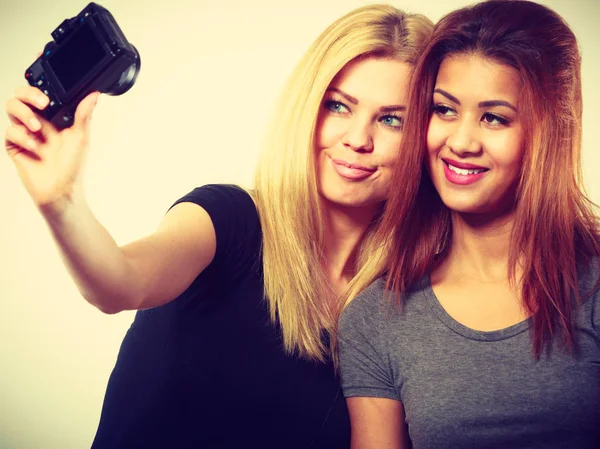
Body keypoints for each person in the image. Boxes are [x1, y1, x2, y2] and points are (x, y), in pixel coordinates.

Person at [4, 4, 433, 449]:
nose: (358, 139)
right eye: (338, 106)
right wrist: (61, 201)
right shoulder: (228, 219)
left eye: (391, 119)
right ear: (306, 108)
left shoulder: (398, 303)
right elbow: (120, 283)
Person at [337, 1, 600, 448]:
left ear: (549, 132)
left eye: (494, 117)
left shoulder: (593, 285)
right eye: (444, 110)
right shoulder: (376, 318)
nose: (460, 142)